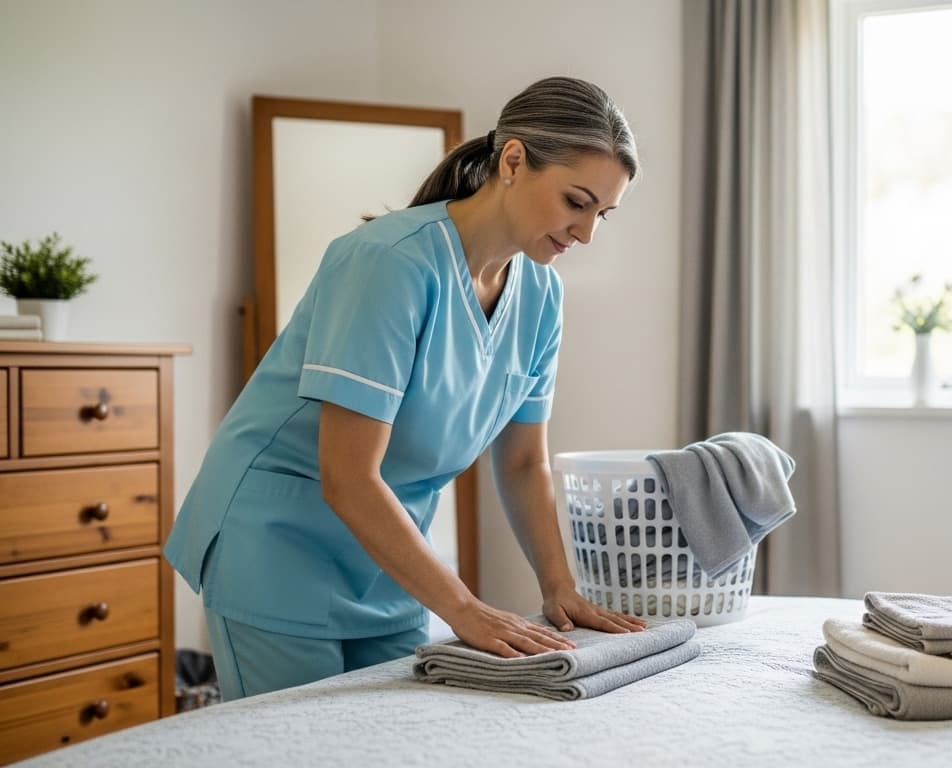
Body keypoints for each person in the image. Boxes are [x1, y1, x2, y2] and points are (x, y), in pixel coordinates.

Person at [164, 76, 647, 700]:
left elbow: (525, 462)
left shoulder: (541, 294)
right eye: (576, 202)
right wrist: (464, 607)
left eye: (602, 214)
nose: (586, 233)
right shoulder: (389, 264)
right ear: (513, 160)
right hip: (274, 541)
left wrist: (559, 587)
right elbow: (348, 476)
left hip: (387, 559)